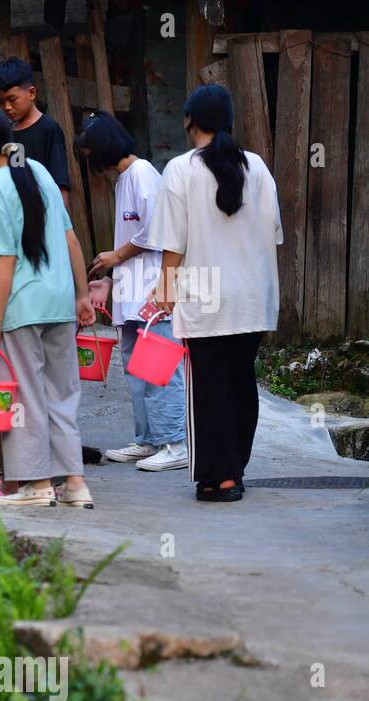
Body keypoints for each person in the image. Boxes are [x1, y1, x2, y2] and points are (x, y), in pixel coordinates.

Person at [144, 84, 282, 502]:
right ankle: (232, 471)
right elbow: (272, 234)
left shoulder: (181, 169)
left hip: (205, 297)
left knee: (209, 387)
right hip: (253, 295)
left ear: (189, 121)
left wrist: (165, 290)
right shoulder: (257, 167)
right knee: (241, 381)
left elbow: (174, 245)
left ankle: (217, 477)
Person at [0, 103, 95, 508]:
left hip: (22, 306)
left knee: (25, 397)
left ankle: (35, 486)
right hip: (59, 301)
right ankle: (74, 484)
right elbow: (71, 240)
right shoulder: (42, 174)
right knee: (62, 395)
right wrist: (82, 295)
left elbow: (6, 262)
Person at [74, 110, 187, 472]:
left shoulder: (142, 174)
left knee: (159, 368)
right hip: (130, 293)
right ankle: (149, 440)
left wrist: (115, 257)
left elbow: (158, 230)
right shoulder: (123, 179)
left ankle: (176, 442)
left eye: (90, 151)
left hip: (152, 290)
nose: (89, 160)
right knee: (137, 372)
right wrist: (110, 279)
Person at [0, 57, 72, 208]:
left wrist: (58, 222)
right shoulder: (8, 135)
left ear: (32, 93)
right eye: (1, 102)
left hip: (45, 216)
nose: (6, 107)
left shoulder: (49, 129)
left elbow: (60, 184)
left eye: (12, 99)